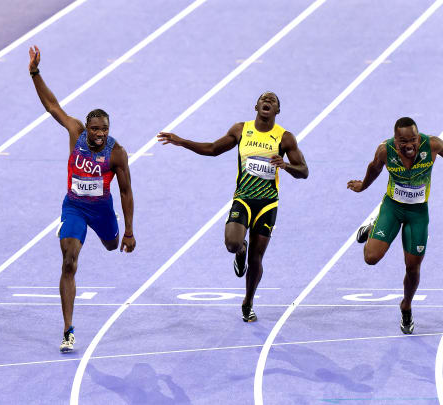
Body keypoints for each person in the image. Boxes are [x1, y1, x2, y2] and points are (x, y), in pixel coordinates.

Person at [157, 92, 308, 322]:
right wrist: (182, 141)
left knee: (257, 259)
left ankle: (248, 302)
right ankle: (240, 249)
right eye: (263, 99)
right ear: (256, 105)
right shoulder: (241, 130)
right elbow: (212, 148)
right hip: (243, 199)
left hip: (267, 204)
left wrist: (285, 165)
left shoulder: (285, 138)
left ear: (277, 110)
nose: (267, 100)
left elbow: (304, 171)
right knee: (232, 243)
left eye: (273, 100)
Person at [28, 46, 136, 352]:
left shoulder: (117, 153)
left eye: (104, 129)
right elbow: (52, 106)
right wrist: (35, 73)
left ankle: (112, 235)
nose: (99, 134)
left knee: (112, 245)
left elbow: (126, 192)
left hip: (102, 211)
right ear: (86, 128)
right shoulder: (75, 131)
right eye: (95, 129)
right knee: (69, 262)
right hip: (74, 206)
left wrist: (128, 231)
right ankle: (68, 329)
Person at [348, 117, 441, 334]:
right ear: (395, 140)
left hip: (418, 213)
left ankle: (406, 306)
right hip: (393, 208)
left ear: (419, 137)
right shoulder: (385, 151)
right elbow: (374, 169)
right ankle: (372, 228)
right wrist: (362, 186)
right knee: (370, 258)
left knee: (413, 268)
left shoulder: (433, 145)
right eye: (403, 141)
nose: (409, 145)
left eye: (413, 140)